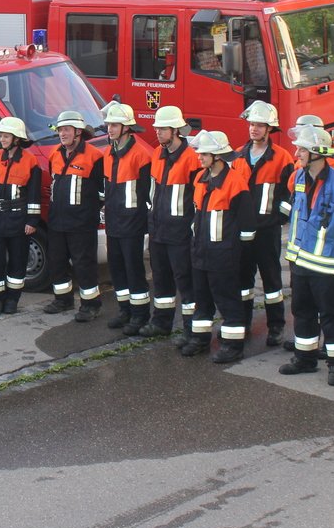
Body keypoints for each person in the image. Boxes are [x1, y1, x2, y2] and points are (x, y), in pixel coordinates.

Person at [279, 126, 334, 386]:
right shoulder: (299, 177)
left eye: (302, 149)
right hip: (300, 262)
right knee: (302, 311)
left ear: (317, 153)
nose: (297, 154)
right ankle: (305, 358)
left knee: (332, 314)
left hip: (327, 265)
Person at [181, 131, 255, 363]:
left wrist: (238, 255)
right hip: (200, 252)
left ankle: (233, 346)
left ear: (218, 156)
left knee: (228, 301)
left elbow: (247, 224)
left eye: (204, 154)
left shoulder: (235, 182)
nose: (199, 157)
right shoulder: (200, 179)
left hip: (223, 255)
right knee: (201, 300)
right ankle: (200, 339)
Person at [235, 101, 295, 346]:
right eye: (252, 124)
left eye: (260, 125)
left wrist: (279, 218)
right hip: (243, 230)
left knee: (271, 281)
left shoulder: (282, 158)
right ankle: (242, 322)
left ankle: (276, 327)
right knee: (243, 281)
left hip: (267, 231)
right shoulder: (238, 155)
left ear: (270, 129)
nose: (254, 129)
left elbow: (290, 193)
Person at [41, 111, 106, 321]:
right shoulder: (54, 154)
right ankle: (63, 300)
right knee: (57, 261)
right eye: (60, 130)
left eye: (66, 130)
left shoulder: (94, 156)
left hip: (82, 223)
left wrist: (89, 214)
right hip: (57, 221)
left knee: (84, 264)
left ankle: (90, 305)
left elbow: (102, 192)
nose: (62, 134)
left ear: (78, 132)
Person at [144, 105, 200, 341]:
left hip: (180, 233)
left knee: (186, 282)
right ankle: (161, 322)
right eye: (157, 128)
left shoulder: (192, 159)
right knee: (161, 279)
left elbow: (198, 199)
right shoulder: (157, 154)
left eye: (163, 129)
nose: (157, 132)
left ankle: (191, 329)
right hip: (158, 230)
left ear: (176, 130)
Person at [100, 101, 154, 334]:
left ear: (126, 128)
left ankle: (140, 314)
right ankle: (125, 310)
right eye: (109, 125)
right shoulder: (108, 153)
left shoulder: (141, 155)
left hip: (132, 223)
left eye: (115, 125)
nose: (110, 129)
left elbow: (147, 193)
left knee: (133, 269)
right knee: (117, 268)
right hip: (113, 221)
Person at [0, 117, 41, 316]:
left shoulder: (30, 161)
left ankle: (12, 301)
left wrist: (32, 221)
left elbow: (34, 194)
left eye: (6, 136)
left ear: (17, 139)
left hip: (19, 219)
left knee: (18, 261)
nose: (2, 139)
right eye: (1, 136)